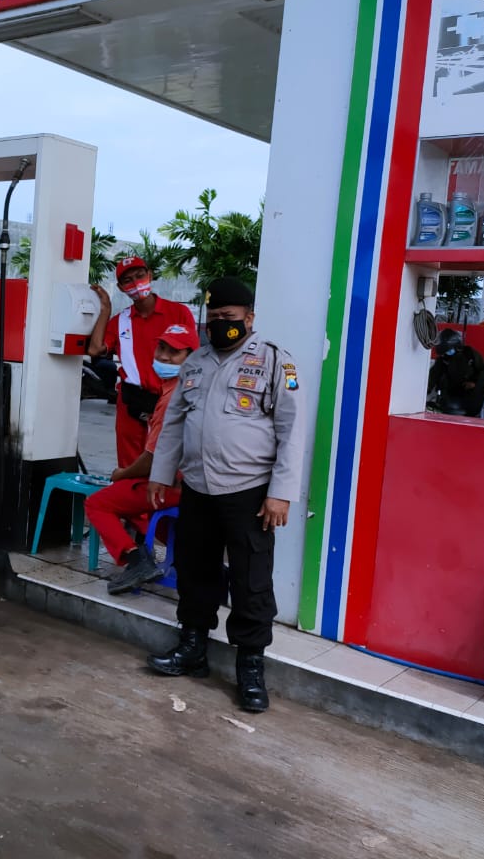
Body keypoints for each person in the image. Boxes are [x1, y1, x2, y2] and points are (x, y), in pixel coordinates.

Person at [144, 276, 305, 714]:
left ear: (249, 318)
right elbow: (174, 424)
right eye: (212, 317)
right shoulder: (195, 362)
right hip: (198, 487)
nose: (218, 324)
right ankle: (192, 647)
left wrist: (281, 493)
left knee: (251, 580)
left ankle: (250, 668)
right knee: (195, 569)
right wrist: (161, 474)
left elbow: (292, 431)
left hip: (249, 492)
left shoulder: (276, 361)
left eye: (228, 317)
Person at [84, 324, 199, 595]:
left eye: (174, 352)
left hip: (171, 485)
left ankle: (136, 560)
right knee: (139, 508)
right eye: (162, 348)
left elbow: (154, 458)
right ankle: (174, 559)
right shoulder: (188, 388)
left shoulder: (173, 398)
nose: (164, 356)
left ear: (190, 357)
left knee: (98, 503)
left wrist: (122, 474)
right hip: (187, 484)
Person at [88, 257, 197, 469]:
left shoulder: (178, 312)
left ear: (150, 275)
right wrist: (105, 310)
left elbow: (192, 356)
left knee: (166, 464)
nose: (136, 284)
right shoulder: (121, 321)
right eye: (128, 280)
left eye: (140, 276)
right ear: (121, 288)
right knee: (129, 466)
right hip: (132, 403)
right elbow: (95, 349)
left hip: (168, 401)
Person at [427, 328, 484, 416]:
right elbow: (433, 376)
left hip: (471, 394)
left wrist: (475, 384)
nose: (446, 354)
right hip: (450, 396)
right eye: (445, 353)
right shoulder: (443, 360)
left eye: (449, 351)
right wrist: (424, 391)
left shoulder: (469, 353)